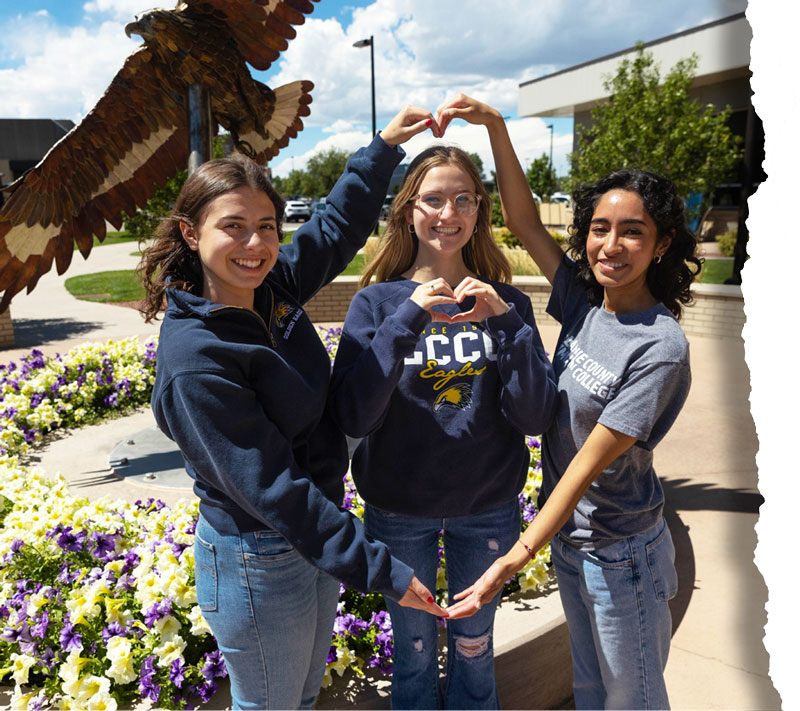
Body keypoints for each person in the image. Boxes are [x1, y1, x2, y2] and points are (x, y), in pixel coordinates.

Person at [137, 105, 447, 711]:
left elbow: (333, 229)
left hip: (312, 538)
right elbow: (273, 487)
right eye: (234, 226)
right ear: (189, 232)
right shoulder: (197, 358)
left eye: (268, 225)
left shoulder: (269, 289)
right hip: (258, 557)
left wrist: (382, 149)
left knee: (301, 697)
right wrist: (381, 570)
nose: (256, 244)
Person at [441, 95, 701, 710]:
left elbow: (587, 465)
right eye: (600, 228)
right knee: (588, 691)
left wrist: (513, 558)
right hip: (574, 545)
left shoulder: (660, 347)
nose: (611, 245)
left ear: (660, 244)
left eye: (633, 232)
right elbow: (524, 221)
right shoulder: (586, 303)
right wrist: (498, 128)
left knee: (631, 700)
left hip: (622, 553)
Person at [328, 142, 558, 709]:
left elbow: (534, 416)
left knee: (475, 649)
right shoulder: (378, 305)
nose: (447, 214)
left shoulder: (505, 303)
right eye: (432, 199)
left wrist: (506, 327)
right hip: (398, 509)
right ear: (409, 209)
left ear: (480, 210)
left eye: (463, 199)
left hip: (488, 508)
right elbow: (354, 414)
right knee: (410, 653)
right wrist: (409, 317)